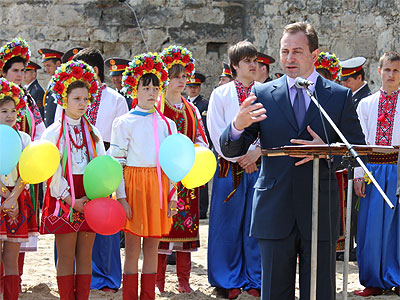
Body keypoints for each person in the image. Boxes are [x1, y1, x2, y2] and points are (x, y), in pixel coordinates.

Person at [219, 22, 365, 300]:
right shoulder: (262, 94)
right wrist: (237, 125)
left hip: (319, 209)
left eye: (297, 51)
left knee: (320, 291)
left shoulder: (338, 96)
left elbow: (357, 153)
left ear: (315, 54)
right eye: (284, 51)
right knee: (274, 291)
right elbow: (231, 146)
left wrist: (328, 150)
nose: (289, 58)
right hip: (275, 208)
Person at [110, 52, 177, 300]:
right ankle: (129, 296)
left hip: (159, 187)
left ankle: (148, 296)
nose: (151, 92)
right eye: (145, 87)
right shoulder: (123, 122)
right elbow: (117, 162)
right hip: (134, 185)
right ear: (134, 89)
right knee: (131, 250)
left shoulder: (168, 124)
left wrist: (172, 195)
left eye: (155, 87)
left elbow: (173, 163)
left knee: (152, 249)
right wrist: (122, 197)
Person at [40, 60, 106, 299]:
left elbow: (102, 165)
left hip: (89, 195)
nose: (82, 104)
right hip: (65, 194)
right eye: (77, 99)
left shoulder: (94, 132)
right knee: (67, 254)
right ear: (64, 99)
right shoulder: (53, 133)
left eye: (86, 99)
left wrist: (93, 195)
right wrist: (70, 199)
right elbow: (52, 171)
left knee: (85, 254)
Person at [67, 47, 128, 292]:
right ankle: (74, 274)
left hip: (104, 164)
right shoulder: (70, 96)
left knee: (103, 220)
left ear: (96, 70)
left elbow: (120, 140)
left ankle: (105, 277)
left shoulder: (115, 98)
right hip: (75, 163)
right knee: (74, 220)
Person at [207, 40, 261, 299]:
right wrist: (239, 155)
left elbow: (274, 128)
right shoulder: (221, 94)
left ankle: (255, 276)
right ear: (235, 66)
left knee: (257, 223)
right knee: (226, 225)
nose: (253, 64)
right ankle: (227, 279)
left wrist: (256, 152)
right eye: (247, 61)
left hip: (258, 166)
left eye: (255, 60)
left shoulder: (267, 91)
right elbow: (216, 130)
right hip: (229, 169)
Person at [156, 45, 208, 293]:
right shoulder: (156, 106)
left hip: (187, 178)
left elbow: (200, 137)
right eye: (175, 76)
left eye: (184, 76)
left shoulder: (192, 109)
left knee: (186, 231)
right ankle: (158, 281)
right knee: (160, 232)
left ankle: (184, 282)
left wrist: (197, 150)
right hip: (162, 178)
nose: (181, 81)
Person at [0, 38, 45, 292]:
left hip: (22, 177)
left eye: (22, 70)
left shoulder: (27, 101)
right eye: (14, 70)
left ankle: (14, 285)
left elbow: (39, 133)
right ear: (4, 72)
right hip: (3, 184)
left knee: (17, 239)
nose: (19, 75)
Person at [353, 51, 400, 297]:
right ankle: (373, 280)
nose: (391, 75)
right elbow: (359, 143)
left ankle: (397, 277)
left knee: (396, 227)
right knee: (370, 227)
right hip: (372, 169)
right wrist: (358, 174)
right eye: (387, 69)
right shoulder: (366, 104)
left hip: (397, 168)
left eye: (396, 70)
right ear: (379, 71)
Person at [0, 78, 38, 300]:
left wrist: (13, 197)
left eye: (13, 110)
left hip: (17, 198)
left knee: (12, 258)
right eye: (3, 111)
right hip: (5, 197)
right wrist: (5, 195)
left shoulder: (23, 138)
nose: (10, 115)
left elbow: (28, 172)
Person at [185, 72, 210, 219]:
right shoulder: (184, 104)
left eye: (195, 87)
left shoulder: (205, 105)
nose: (192, 90)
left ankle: (202, 210)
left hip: (200, 147)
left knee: (202, 180)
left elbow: (206, 128)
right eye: (190, 87)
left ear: (200, 88)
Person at [38, 48, 64, 127]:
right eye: (45, 66)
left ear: (58, 63)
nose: (46, 69)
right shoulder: (52, 81)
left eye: (49, 65)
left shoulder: (62, 82)